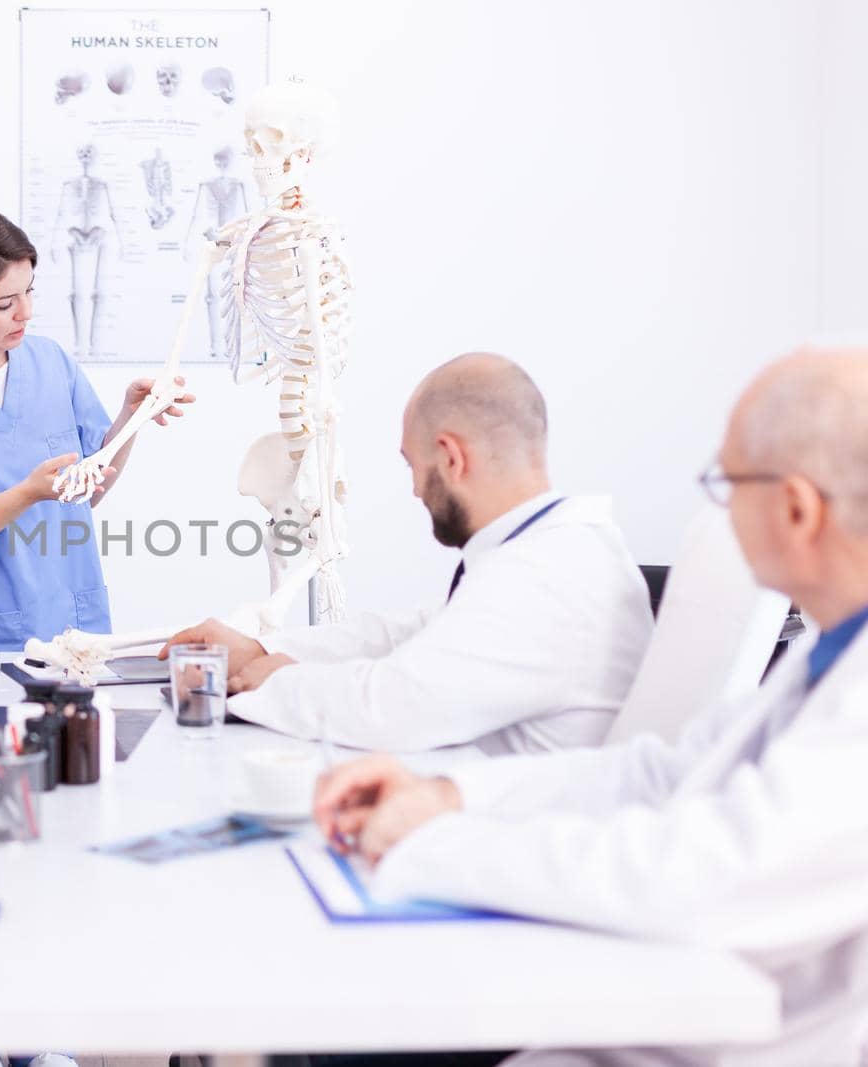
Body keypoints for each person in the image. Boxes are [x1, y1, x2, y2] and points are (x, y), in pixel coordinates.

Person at [314, 348, 868, 1067]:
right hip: (650, 1008)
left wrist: (431, 846)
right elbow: (656, 774)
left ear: (795, 508)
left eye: (726, 483)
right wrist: (447, 796)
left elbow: (699, 878)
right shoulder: (827, 656)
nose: (719, 513)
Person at [162, 353, 653, 754]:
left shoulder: (548, 577)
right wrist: (263, 649)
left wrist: (274, 681)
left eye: (413, 465)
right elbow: (407, 634)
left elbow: (392, 708)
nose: (416, 490)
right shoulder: (544, 552)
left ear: (451, 457)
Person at [0, 206, 193, 651]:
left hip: (70, 630)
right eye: (4, 304)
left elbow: (90, 488)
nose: (26, 312)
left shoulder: (51, 363)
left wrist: (131, 417)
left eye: (29, 292)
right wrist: (27, 493)